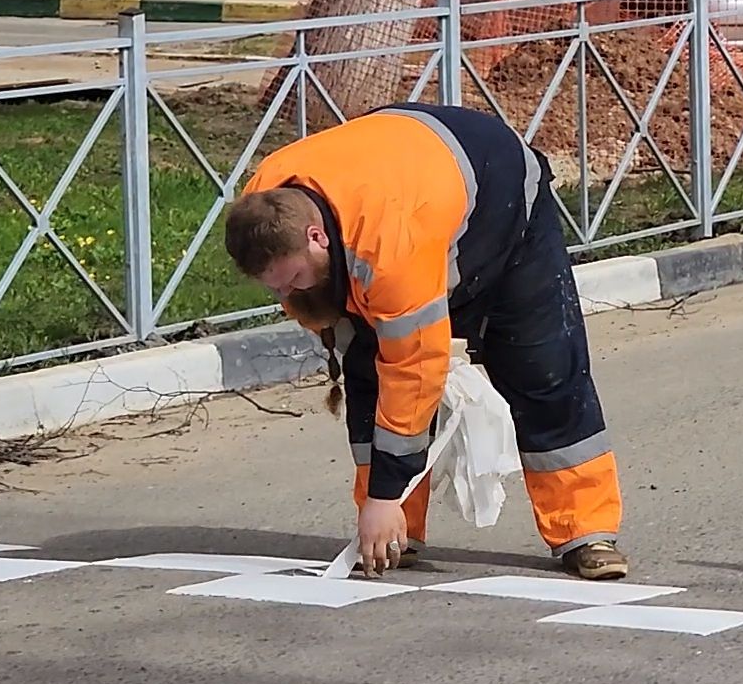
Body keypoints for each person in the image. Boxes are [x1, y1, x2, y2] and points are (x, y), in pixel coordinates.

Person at [223, 103, 628, 581]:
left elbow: (415, 373)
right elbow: (374, 375)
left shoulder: (387, 250)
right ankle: (394, 533)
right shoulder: (264, 210)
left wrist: (382, 496)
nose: (288, 295)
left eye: (293, 280)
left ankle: (587, 531)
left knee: (544, 371)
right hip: (419, 189)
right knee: (367, 377)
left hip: (505, 210)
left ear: (316, 238)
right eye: (276, 288)